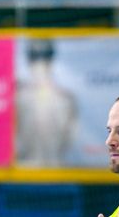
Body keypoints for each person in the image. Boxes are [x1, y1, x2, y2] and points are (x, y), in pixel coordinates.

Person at [15, 38, 78, 166]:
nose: (40, 63)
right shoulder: (18, 96)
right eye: (37, 57)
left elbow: (70, 139)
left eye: (43, 57)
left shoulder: (66, 98)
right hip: (34, 169)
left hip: (47, 169)